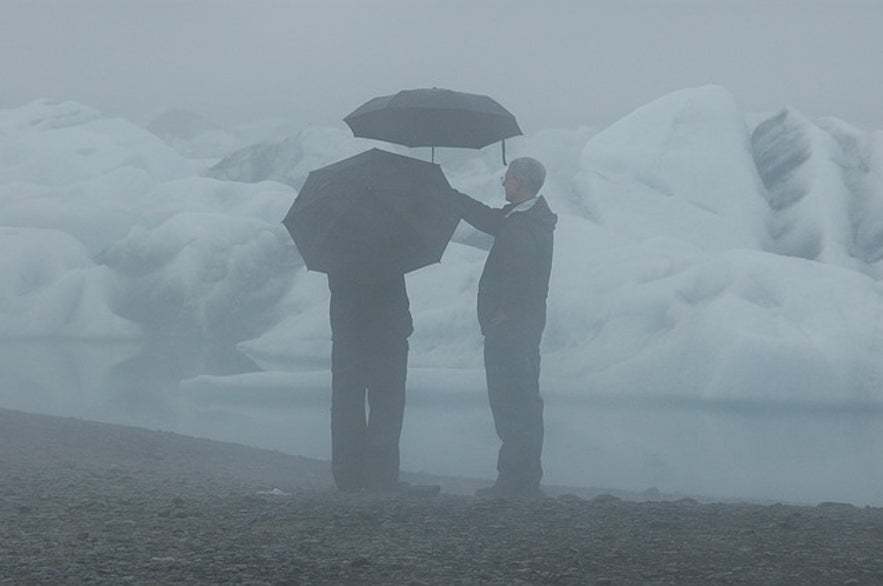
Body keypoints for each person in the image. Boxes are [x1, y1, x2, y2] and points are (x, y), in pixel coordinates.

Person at [450, 157, 556, 498]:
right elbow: (489, 218)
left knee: (512, 398)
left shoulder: (525, 225)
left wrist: (501, 313)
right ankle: (520, 477)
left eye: (508, 178)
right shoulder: (523, 218)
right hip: (520, 324)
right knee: (519, 397)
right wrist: (451, 196)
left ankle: (516, 480)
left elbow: (520, 274)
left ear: (521, 183)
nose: (503, 183)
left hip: (513, 327)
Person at [327, 272, 438, 496]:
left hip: (349, 328)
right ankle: (381, 476)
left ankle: (348, 475)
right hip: (386, 330)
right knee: (387, 401)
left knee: (347, 401)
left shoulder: (336, 245)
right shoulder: (390, 242)